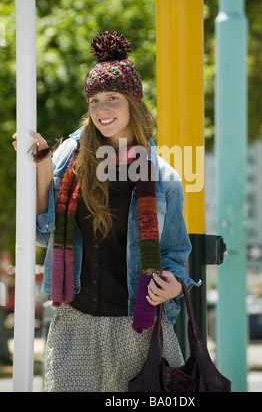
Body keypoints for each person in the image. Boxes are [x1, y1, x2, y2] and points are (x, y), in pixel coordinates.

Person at [13, 31, 197, 392]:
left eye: (112, 98)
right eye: (94, 100)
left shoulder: (163, 176)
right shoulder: (68, 157)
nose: (101, 110)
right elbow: (40, 229)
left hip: (139, 329)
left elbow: (176, 257)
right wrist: (43, 169)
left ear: (133, 103)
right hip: (73, 326)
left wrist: (175, 284)